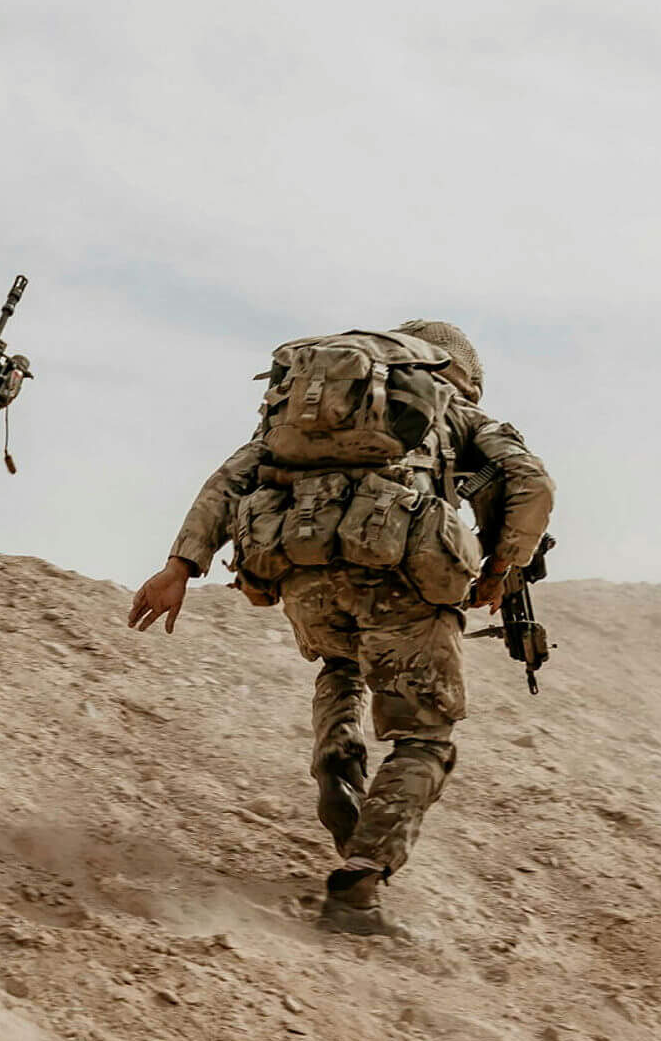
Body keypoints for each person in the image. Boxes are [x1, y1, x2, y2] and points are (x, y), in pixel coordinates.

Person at [128, 320, 553, 936]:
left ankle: (335, 753)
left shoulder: (307, 415)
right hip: (401, 584)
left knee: (343, 663)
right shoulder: (453, 415)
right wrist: (501, 567)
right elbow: (532, 482)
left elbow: (231, 479)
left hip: (301, 576)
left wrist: (179, 567)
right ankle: (358, 884)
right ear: (461, 378)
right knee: (425, 736)